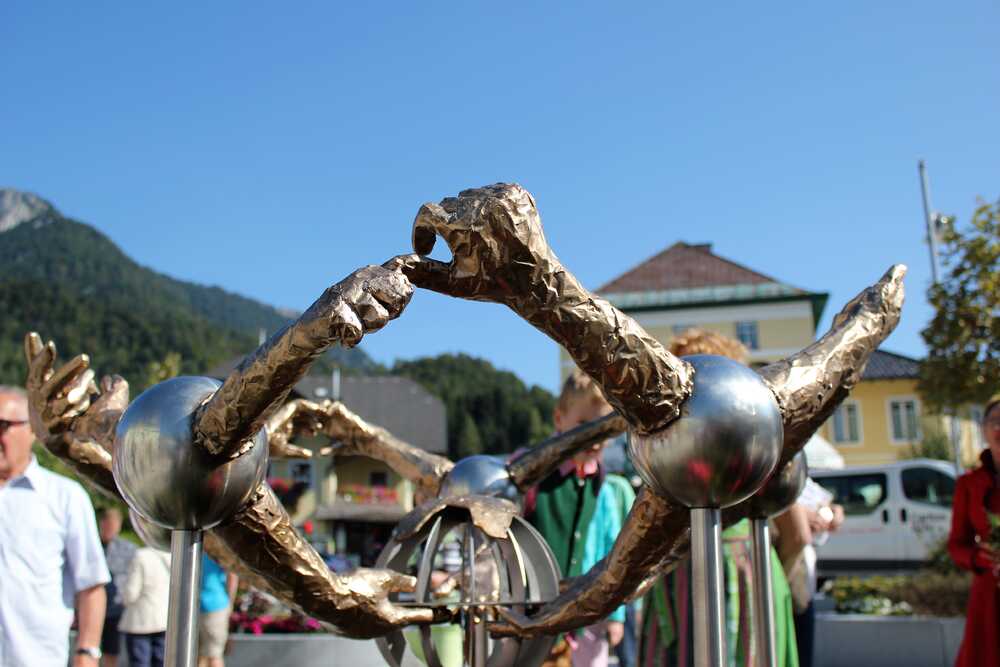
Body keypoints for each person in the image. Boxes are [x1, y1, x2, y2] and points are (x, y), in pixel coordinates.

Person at [639, 329, 799, 667]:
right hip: (734, 573)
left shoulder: (751, 444)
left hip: (723, 576)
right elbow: (797, 535)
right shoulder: (757, 446)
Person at [0, 384, 110, 667]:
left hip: (36, 658)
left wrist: (87, 652)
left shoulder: (64, 497)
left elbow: (91, 583)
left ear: (31, 430)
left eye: (2, 426)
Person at [525, 370, 626, 667]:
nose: (593, 437)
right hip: (537, 613)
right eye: (583, 425)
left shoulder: (602, 488)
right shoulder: (535, 476)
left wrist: (616, 614)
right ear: (559, 419)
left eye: (602, 427)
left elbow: (616, 552)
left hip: (588, 613)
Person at [948, 393, 1000, 667]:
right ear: (984, 429)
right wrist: (978, 558)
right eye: (994, 421)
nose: (999, 427)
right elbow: (956, 544)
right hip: (989, 594)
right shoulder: (969, 484)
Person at [119, 545, 171, 667]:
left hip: (141, 620)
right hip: (163, 620)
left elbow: (131, 593)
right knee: (161, 661)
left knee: (140, 662)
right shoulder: (170, 555)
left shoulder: (141, 556)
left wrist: (123, 600)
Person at [99, 507, 137, 667]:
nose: (110, 529)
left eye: (113, 525)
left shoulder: (129, 549)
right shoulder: (91, 544)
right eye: (107, 525)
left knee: (112, 650)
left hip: (115, 608)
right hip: (93, 605)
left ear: (119, 526)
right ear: (101, 524)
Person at [199, 554, 239, 667]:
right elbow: (232, 576)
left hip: (208, 607)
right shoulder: (217, 551)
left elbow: (232, 576)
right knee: (211, 654)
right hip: (214, 606)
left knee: (210, 655)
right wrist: (230, 603)